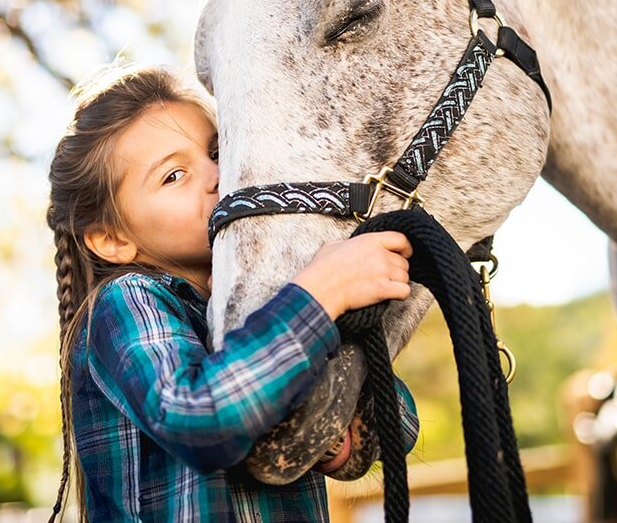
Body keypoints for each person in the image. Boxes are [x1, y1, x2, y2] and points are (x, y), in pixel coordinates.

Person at [46, 64, 419, 522]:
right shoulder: (128, 299)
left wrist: (335, 423)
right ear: (113, 240)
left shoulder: (272, 303)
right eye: (173, 176)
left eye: (217, 152)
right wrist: (323, 292)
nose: (217, 175)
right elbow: (199, 417)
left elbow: (401, 424)